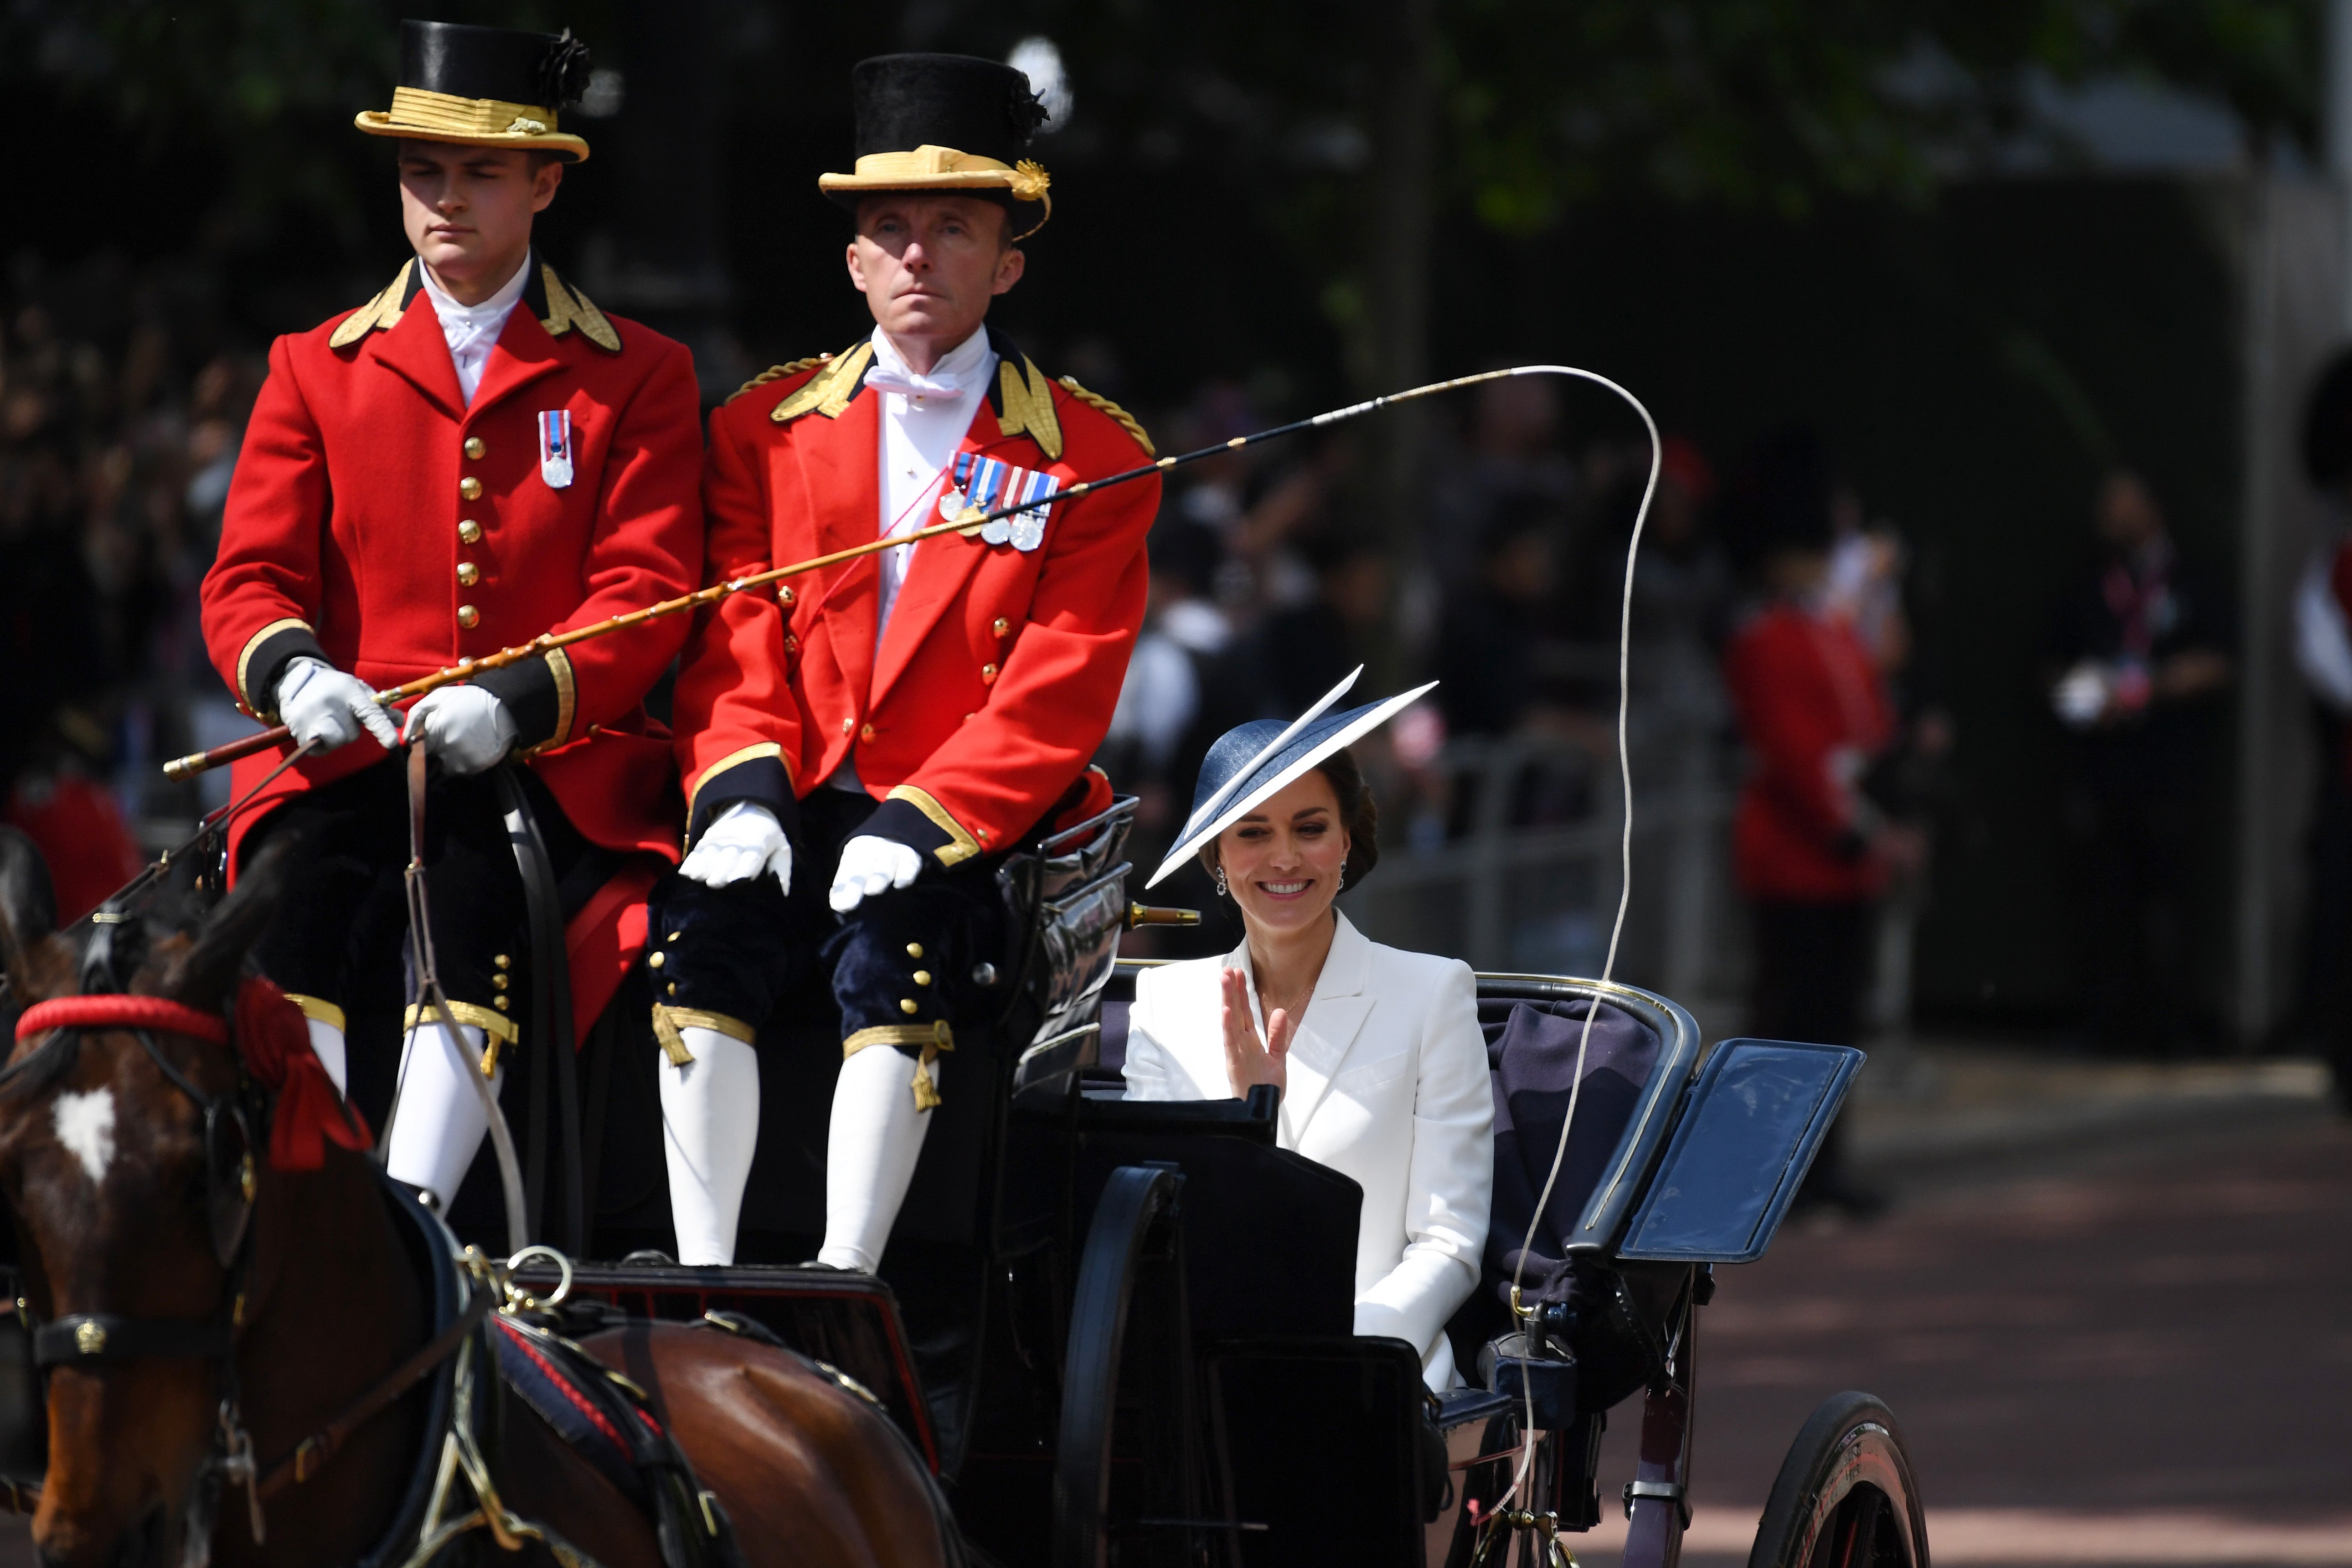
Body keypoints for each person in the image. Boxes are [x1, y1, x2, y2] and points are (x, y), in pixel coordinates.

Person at [653, 53, 1160, 1268]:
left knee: (902, 955)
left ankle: (844, 1280)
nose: (920, 255)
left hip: (952, 828)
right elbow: (735, 630)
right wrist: (739, 787)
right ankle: (703, 1275)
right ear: (855, 262)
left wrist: (927, 817)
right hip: (788, 795)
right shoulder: (760, 430)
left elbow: (1063, 682)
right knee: (694, 938)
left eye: (953, 228)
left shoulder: (1090, 452)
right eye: (892, 229)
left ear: (1007, 261)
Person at [199, 20, 705, 1211]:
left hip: (539, 757)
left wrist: (518, 701)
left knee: (473, 902)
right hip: (344, 745)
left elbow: (648, 591)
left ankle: (408, 1223)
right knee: (290, 902)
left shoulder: (637, 373)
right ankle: (310, 1210)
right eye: (424, 173)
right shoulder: (313, 366)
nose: (447, 201)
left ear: (545, 183)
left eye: (480, 174)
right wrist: (294, 678)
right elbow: (249, 580)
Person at [1120, 674, 1494, 1391]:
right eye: (1253, 832)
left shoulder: (1432, 992)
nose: (1284, 858)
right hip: (1203, 1372)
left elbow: (1449, 1243)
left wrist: (1351, 1349)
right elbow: (1161, 1232)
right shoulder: (1163, 1002)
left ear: (1347, 843)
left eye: (1310, 828)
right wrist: (1247, 1122)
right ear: (1217, 859)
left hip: (1376, 1371)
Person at [1721, 430, 1913, 1212]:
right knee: (1790, 1027)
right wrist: (1861, 829)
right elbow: (1798, 757)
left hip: (1840, 860)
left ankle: (1823, 1171)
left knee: (1835, 1027)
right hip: (1798, 859)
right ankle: (1776, 1178)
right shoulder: (1765, 639)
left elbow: (1867, 725)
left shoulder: (1830, 631)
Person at [2044, 469, 2232, 1054]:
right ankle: (2103, 1025)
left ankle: (2173, 1029)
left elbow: (2223, 659)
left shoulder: (2193, 580)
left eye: (2121, 502)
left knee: (2170, 903)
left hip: (2168, 767)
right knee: (2104, 902)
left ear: (2153, 508)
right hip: (2104, 769)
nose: (2108, 512)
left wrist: (2155, 686)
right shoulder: (2088, 583)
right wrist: (2088, 698)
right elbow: (2050, 665)